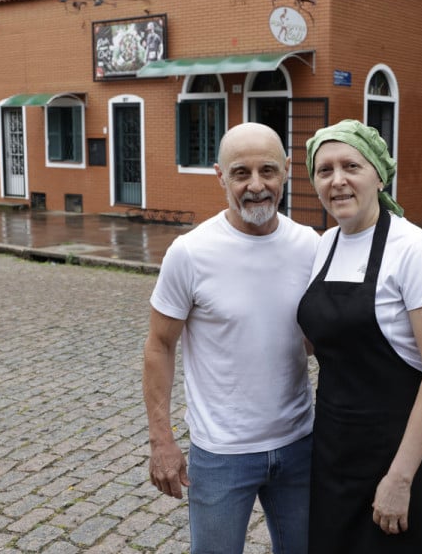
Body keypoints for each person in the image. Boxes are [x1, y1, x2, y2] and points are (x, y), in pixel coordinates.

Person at [142, 122, 319, 554]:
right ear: (220, 176)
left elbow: (322, 341)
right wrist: (161, 440)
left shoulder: (311, 246)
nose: (256, 185)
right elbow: (159, 346)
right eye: (241, 173)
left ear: (287, 172)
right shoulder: (190, 252)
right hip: (221, 454)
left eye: (268, 171)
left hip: (300, 445)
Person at [297, 119, 422, 553]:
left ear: (380, 174)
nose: (338, 180)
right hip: (335, 448)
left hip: (402, 452)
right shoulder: (325, 244)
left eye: (351, 165)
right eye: (324, 169)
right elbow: (320, 340)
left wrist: (400, 478)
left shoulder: (414, 249)